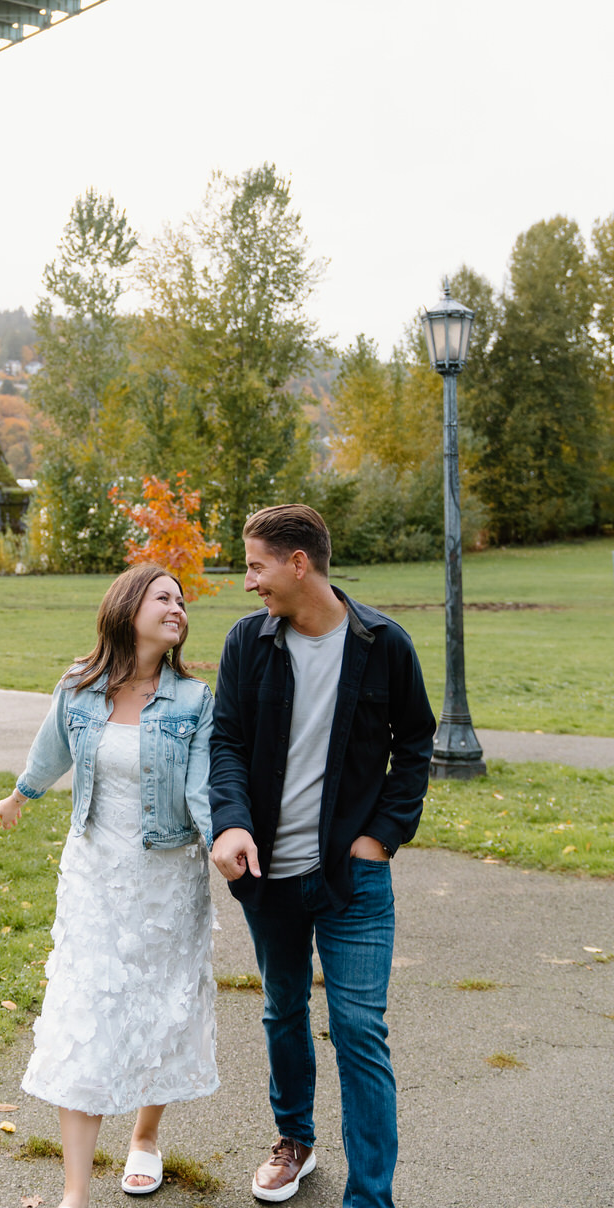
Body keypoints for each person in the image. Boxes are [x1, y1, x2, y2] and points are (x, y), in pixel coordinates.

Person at [210, 504, 435, 1207]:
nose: (248, 582)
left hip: (354, 878)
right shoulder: (249, 643)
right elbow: (227, 745)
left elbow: (417, 744)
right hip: (269, 874)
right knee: (282, 1009)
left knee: (360, 1030)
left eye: (255, 564)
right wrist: (232, 824)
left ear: (298, 563)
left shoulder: (383, 643)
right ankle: (294, 1142)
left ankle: (370, 1197)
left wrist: (381, 838)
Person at [0, 562, 218, 1208]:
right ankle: (75, 1194)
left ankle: (145, 1138)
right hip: (93, 875)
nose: (178, 607)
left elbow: (201, 786)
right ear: (127, 607)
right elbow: (51, 748)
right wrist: (21, 795)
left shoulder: (196, 701)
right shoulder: (79, 686)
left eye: (182, 600)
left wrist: (223, 840)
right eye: (164, 597)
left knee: (161, 1008)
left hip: (167, 880)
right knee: (83, 1013)